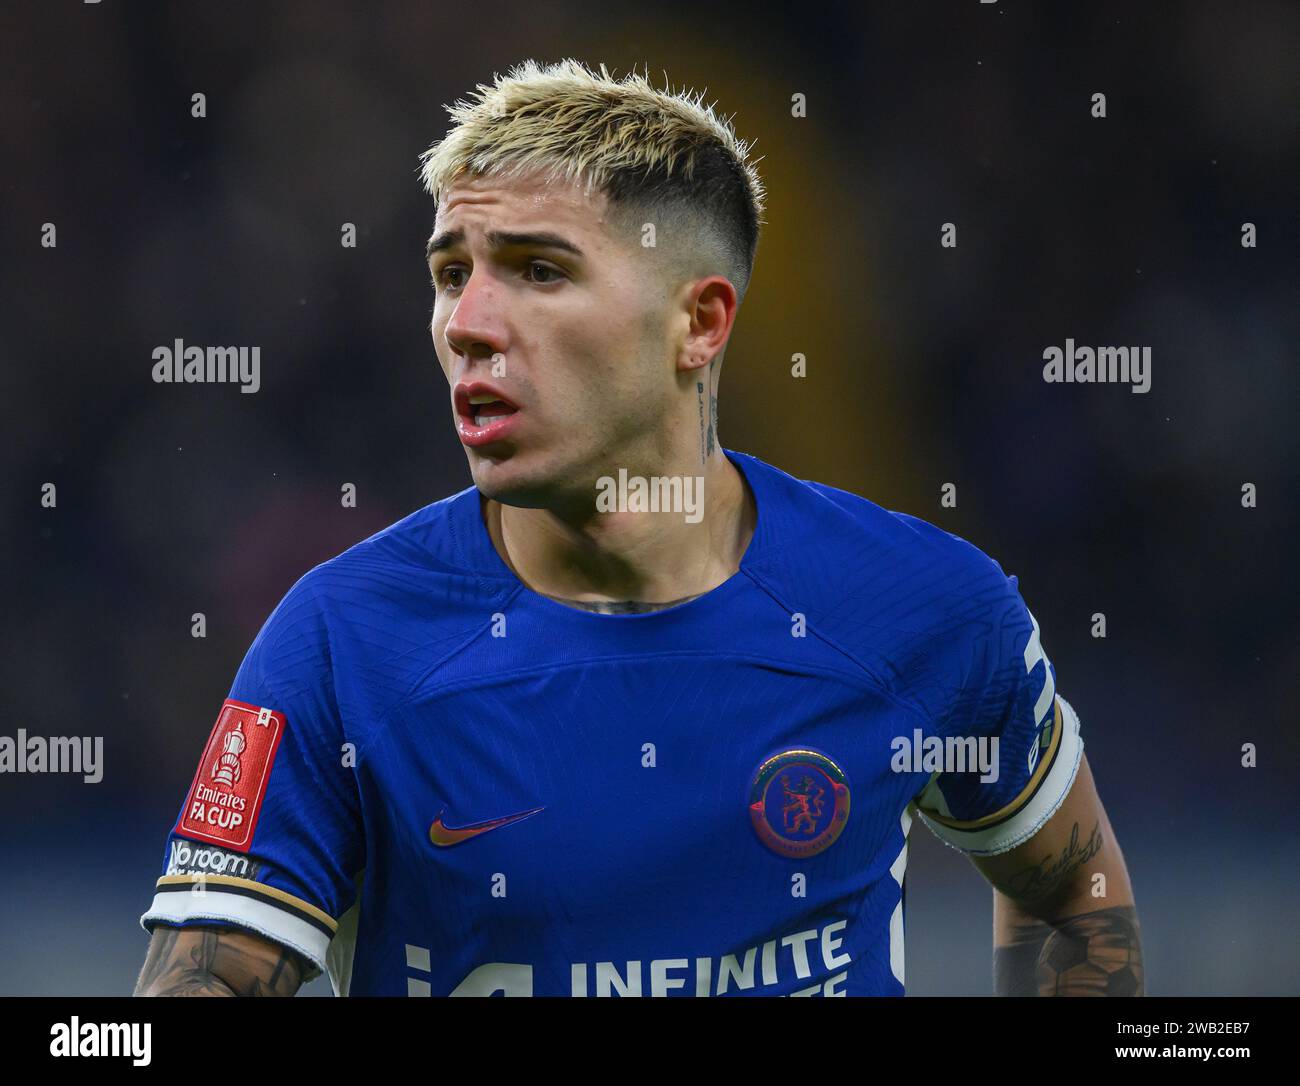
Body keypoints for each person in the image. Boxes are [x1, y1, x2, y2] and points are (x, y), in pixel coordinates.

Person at [135, 58, 1141, 997]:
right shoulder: (344, 642)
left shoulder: (927, 611)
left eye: (538, 271)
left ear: (699, 323)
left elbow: (1074, 908)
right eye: (451, 273)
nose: (469, 321)